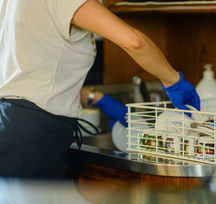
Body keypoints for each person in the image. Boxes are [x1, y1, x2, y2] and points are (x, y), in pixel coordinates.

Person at [0, 0, 200, 178]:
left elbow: (30, 74)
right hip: (34, 132)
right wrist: (173, 81)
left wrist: (98, 99)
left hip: (9, 122)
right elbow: (135, 42)